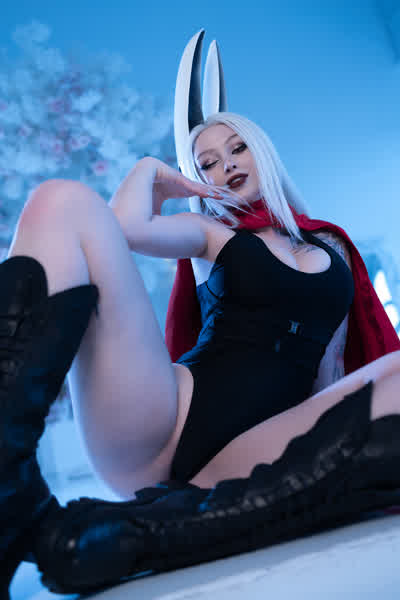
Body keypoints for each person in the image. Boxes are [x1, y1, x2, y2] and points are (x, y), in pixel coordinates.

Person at [1, 31, 400, 598]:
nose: (227, 165)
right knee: (60, 201)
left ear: (262, 151)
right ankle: (4, 491)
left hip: (254, 455)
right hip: (161, 417)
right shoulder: (213, 235)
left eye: (237, 149)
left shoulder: (331, 247)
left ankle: (141, 531)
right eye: (207, 163)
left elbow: (332, 374)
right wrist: (154, 171)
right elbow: (126, 228)